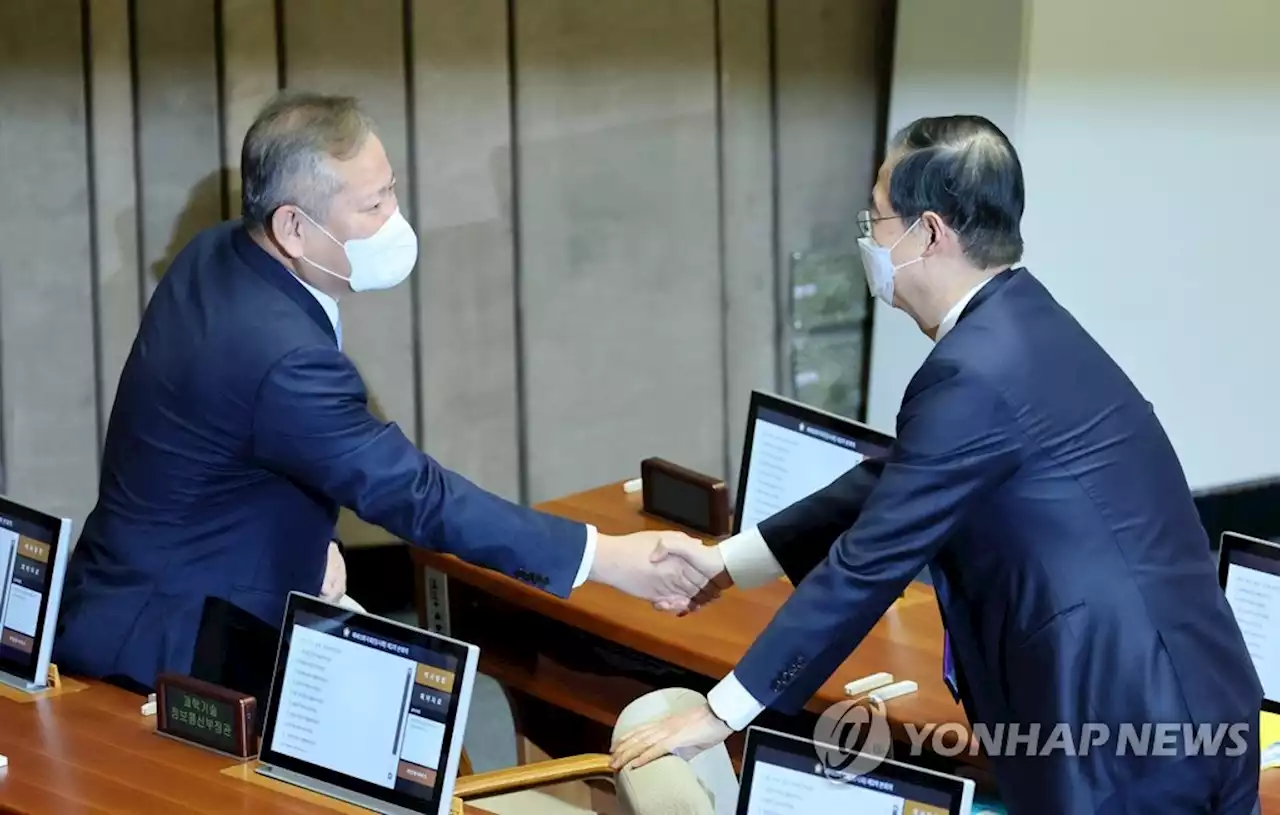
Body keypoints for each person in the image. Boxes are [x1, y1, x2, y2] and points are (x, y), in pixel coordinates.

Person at [612, 115, 1263, 814]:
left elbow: (869, 562)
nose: (869, 240)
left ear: (928, 233)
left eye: (877, 219)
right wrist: (730, 562)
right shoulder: (1023, 324)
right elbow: (900, 476)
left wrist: (724, 710)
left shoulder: (975, 370)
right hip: (1197, 696)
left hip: (1126, 730)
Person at [54, 92, 716, 696]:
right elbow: (417, 495)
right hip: (168, 651)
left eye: (391, 192)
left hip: (129, 593)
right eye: (372, 208)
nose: (395, 222)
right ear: (293, 227)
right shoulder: (283, 357)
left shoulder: (217, 253)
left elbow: (223, 454)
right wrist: (607, 557)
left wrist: (302, 546)